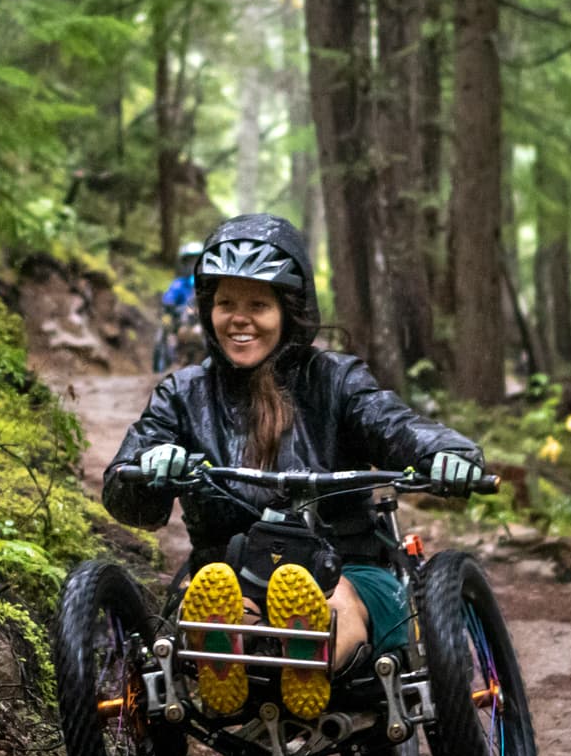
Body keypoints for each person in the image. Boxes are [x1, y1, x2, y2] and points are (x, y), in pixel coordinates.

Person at [103, 213, 484, 715]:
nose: (239, 319)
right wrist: (151, 466)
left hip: (347, 564)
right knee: (229, 596)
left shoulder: (336, 379)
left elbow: (396, 426)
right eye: (226, 304)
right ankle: (247, 647)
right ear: (207, 310)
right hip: (231, 571)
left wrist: (446, 452)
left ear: (290, 311)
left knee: (334, 598)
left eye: (258, 304)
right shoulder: (183, 394)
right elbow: (126, 494)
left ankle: (294, 649)